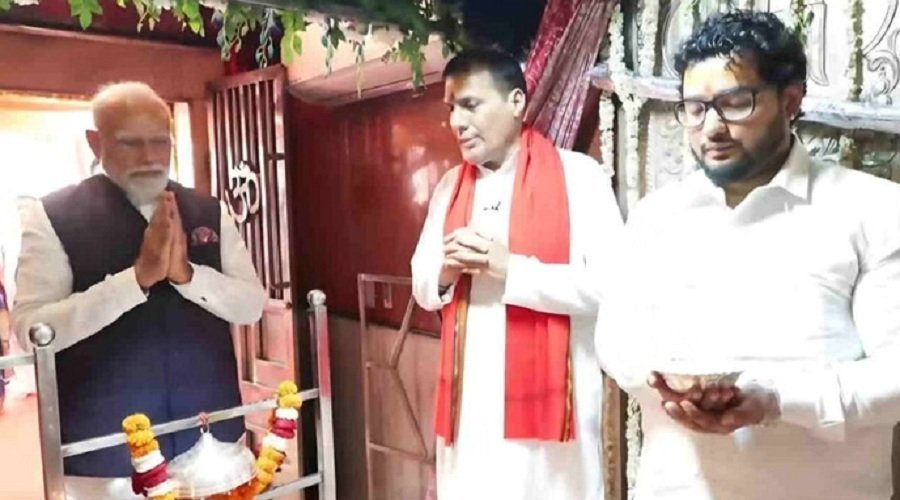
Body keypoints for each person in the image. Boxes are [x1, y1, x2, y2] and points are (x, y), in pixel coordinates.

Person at [596, 11, 900, 500]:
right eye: (695, 108)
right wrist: (673, 382)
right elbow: (616, 342)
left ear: (791, 101)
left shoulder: (873, 210)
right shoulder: (658, 216)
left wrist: (775, 400)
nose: (711, 127)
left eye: (735, 103)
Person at [13, 82, 267, 495]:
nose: (149, 157)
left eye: (159, 142)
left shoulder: (207, 210)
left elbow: (251, 305)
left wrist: (187, 275)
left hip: (210, 441)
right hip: (106, 456)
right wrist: (135, 280)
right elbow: (32, 331)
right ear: (95, 142)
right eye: (130, 143)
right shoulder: (53, 216)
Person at [411, 49, 624, 500]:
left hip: (550, 419)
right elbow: (424, 286)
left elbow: (612, 289)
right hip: (470, 412)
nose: (457, 122)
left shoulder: (578, 177)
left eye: (471, 105)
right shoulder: (450, 187)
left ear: (516, 102)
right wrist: (447, 270)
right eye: (452, 109)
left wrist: (512, 270)